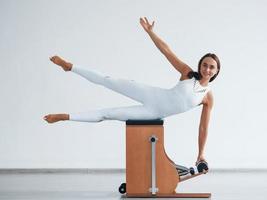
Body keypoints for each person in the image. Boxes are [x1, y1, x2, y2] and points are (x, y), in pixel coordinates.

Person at [43, 17, 220, 173]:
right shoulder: (188, 74)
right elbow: (167, 51)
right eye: (205, 65)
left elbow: (203, 128)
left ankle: (65, 117)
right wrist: (151, 33)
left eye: (212, 67)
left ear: (216, 71)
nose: (207, 69)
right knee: (109, 80)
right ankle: (70, 67)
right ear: (200, 65)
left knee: (108, 114)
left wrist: (201, 154)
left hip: (152, 113)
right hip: (152, 95)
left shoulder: (207, 97)